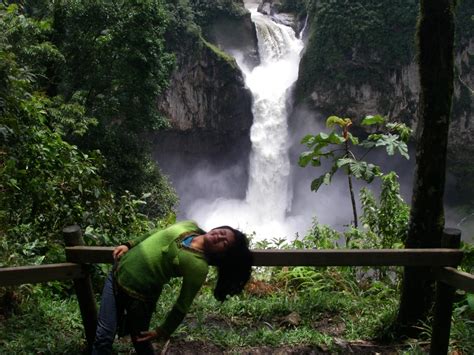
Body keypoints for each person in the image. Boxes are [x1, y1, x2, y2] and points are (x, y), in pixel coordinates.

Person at [91, 220, 253, 354]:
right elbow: (156, 232)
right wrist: (129, 244)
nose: (219, 237)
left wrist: (163, 331)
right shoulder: (190, 226)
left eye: (224, 243)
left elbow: (182, 305)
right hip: (116, 274)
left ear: (222, 254)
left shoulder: (198, 266)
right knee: (103, 337)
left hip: (139, 298)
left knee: (140, 341)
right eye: (222, 232)